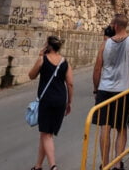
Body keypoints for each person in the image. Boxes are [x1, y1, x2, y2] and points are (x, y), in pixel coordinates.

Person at [92, 14, 129, 170]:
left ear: (115, 25)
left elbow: (97, 68)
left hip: (104, 90)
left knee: (105, 127)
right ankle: (117, 163)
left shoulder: (105, 43)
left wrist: (96, 89)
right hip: (122, 91)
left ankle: (105, 163)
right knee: (121, 127)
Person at [28, 35, 73, 170]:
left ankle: (53, 166)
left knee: (46, 135)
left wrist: (39, 56)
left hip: (46, 100)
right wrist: (69, 102)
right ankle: (38, 166)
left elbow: (31, 75)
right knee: (46, 133)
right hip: (60, 100)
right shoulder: (65, 62)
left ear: (48, 46)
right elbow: (70, 83)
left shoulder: (43, 59)